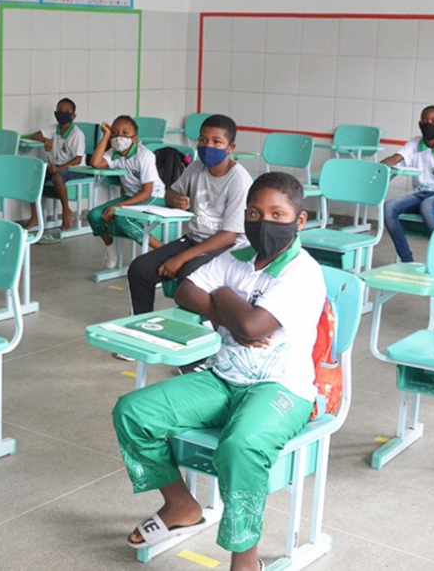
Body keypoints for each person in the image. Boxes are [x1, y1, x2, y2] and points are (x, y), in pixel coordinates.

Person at [112, 172, 325, 571]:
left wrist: (223, 292)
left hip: (281, 387)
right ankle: (180, 505)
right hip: (223, 377)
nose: (264, 222)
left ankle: (245, 560)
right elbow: (186, 290)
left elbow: (253, 326)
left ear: (299, 220)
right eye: (255, 213)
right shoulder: (238, 255)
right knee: (133, 412)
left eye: (277, 214)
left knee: (239, 446)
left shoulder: (303, 272)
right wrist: (231, 312)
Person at [126, 113, 251, 315]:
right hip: (196, 239)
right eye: (203, 140)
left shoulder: (239, 181)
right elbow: (170, 192)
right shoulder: (196, 167)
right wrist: (174, 198)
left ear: (230, 148)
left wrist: (181, 258)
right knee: (140, 269)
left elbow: (230, 235)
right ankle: (142, 322)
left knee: (189, 275)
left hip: (228, 248)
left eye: (216, 142)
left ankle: (190, 329)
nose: (208, 146)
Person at [380, 105, 434, 263]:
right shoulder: (415, 143)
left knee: (427, 206)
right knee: (388, 207)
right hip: (420, 194)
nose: (429, 124)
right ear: (420, 124)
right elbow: (396, 158)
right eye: (425, 120)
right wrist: (380, 166)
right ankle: (407, 259)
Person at [87, 115, 168, 269]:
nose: (119, 137)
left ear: (135, 138)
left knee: (122, 219)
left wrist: (118, 207)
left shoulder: (144, 156)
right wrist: (106, 135)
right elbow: (95, 163)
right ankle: (110, 248)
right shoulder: (113, 153)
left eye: (125, 133)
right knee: (94, 216)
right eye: (115, 133)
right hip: (131, 197)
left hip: (154, 196)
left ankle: (163, 250)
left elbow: (146, 193)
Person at [25, 98, 86, 241]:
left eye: (66, 112)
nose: (62, 114)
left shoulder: (77, 134)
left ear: (73, 116)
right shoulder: (54, 129)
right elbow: (35, 136)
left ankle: (66, 211)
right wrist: (46, 140)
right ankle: (35, 216)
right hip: (57, 166)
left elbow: (78, 159)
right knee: (33, 176)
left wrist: (58, 168)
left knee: (57, 177)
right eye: (60, 111)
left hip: (76, 168)